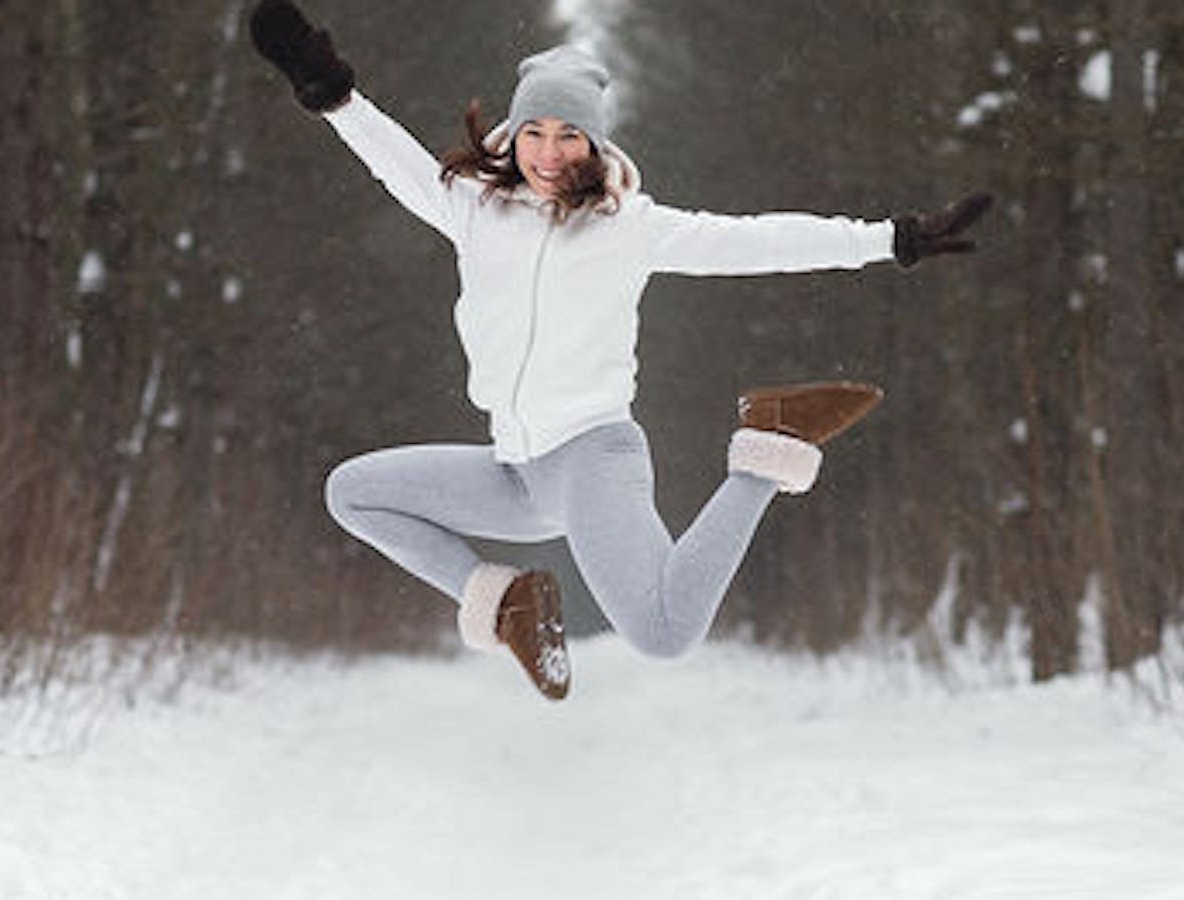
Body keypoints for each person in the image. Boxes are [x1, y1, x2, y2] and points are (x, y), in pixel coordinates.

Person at [248, 0, 988, 701]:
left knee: (664, 632)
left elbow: (759, 239)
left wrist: (888, 239)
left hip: (592, 459)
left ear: (596, 145)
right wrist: (332, 94)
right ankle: (507, 601)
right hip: (515, 473)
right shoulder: (472, 209)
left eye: (569, 136)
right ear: (513, 133)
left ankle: (769, 444)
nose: (548, 151)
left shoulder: (628, 228)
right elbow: (394, 161)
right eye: (534, 131)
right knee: (353, 492)